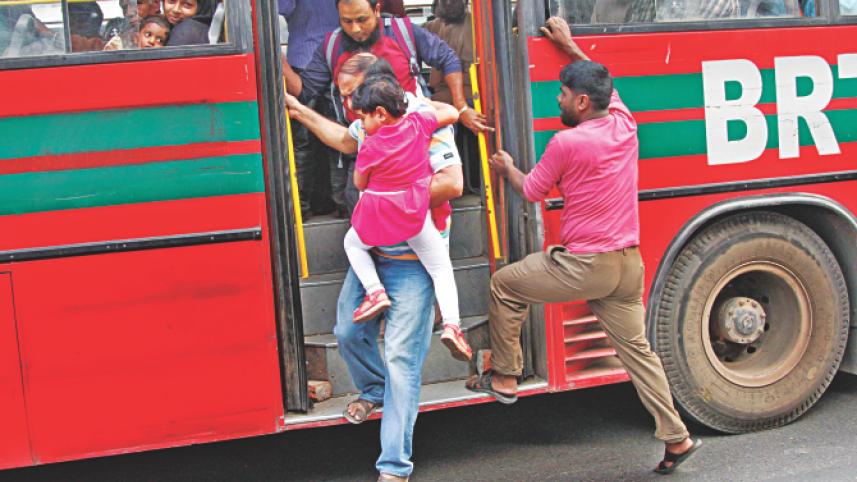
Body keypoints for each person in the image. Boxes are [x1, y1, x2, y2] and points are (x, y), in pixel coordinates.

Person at [466, 17, 702, 475]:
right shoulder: (625, 124)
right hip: (628, 266)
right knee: (639, 353)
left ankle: (507, 376)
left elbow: (533, 191)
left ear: (579, 102)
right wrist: (570, 46)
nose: (556, 99)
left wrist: (506, 167)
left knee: (505, 285)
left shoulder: (566, 142)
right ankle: (677, 437)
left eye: (561, 94)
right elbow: (608, 87)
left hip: (586, 264)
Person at [284, 55, 466, 482]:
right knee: (348, 332)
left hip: (412, 261)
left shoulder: (426, 122)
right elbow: (347, 141)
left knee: (403, 358)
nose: (349, 108)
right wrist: (298, 110)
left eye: (353, 99)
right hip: (374, 251)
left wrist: (395, 196)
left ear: (381, 97)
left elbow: (454, 183)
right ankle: (375, 390)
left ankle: (394, 467)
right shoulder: (375, 123)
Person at [283, 0, 491, 212]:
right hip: (364, 148)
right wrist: (279, 62)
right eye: (347, 21)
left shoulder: (404, 33)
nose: (355, 29)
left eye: (362, 19)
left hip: (414, 146)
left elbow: (448, 59)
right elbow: (306, 91)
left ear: (377, 10)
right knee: (357, 207)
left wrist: (462, 106)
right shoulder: (331, 45)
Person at [342, 72, 472, 361]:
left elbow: (360, 183)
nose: (362, 124)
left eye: (364, 118)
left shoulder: (371, 145)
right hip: (415, 215)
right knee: (440, 268)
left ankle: (375, 292)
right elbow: (450, 112)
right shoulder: (420, 123)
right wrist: (423, 103)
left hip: (380, 215)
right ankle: (452, 325)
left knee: (352, 244)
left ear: (380, 114)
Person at [278, 0, 342, 218]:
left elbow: (278, 8)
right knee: (340, 136)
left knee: (304, 141)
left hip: (304, 63)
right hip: (338, 62)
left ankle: (302, 208)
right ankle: (339, 204)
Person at [422, 0, 480, 192]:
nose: (449, 2)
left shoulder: (477, 25)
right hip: (440, 98)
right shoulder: (431, 27)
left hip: (473, 94)